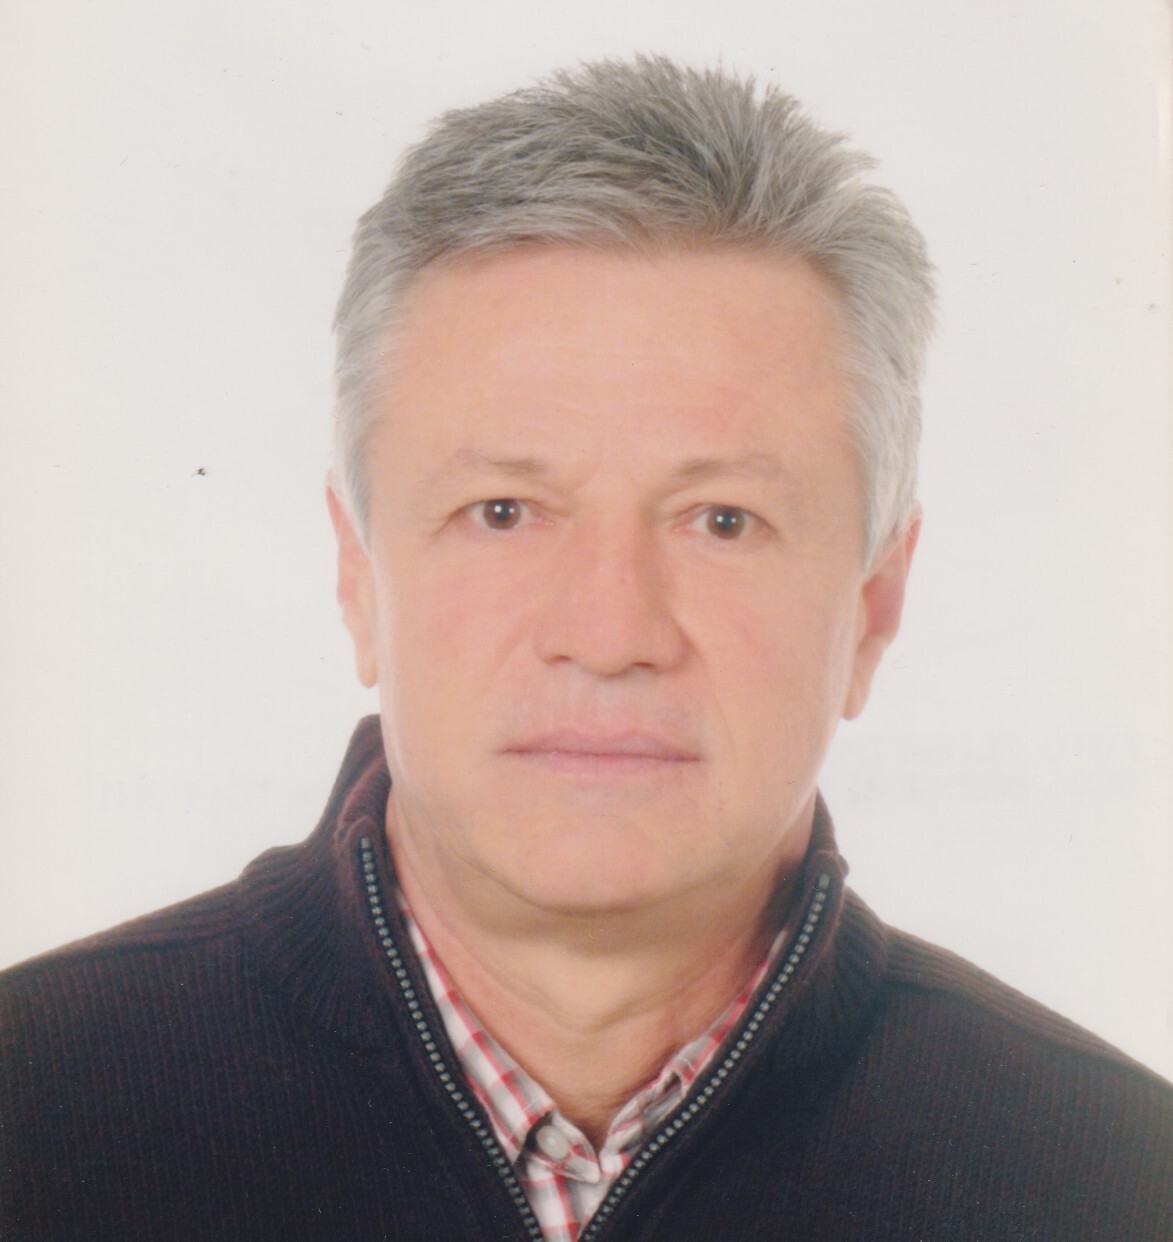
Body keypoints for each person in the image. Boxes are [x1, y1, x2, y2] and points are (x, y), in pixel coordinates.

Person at [1, 55, 1169, 1242]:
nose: (610, 637)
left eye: (723, 521)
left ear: (875, 603)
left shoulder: (1116, 1180)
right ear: (358, 576)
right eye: (503, 512)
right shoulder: (31, 1112)